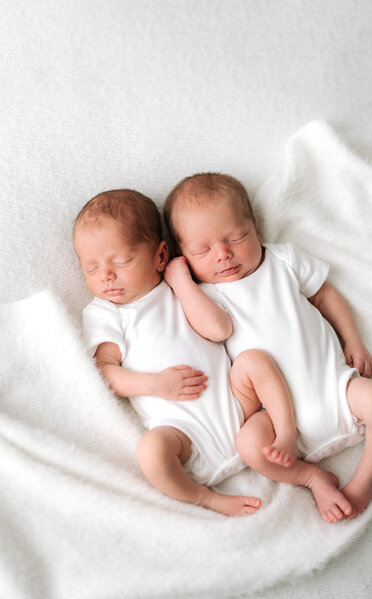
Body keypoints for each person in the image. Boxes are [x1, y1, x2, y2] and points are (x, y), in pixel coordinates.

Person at [164, 172, 372, 522]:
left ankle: (366, 478)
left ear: (257, 230)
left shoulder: (282, 260)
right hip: (276, 422)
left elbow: (325, 295)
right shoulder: (207, 295)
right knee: (248, 445)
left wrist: (354, 340)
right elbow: (215, 330)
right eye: (203, 250)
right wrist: (181, 282)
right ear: (184, 255)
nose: (223, 254)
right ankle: (313, 478)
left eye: (236, 237)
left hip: (336, 389)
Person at [73, 188, 309, 517]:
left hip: (239, 410)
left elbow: (219, 330)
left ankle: (287, 435)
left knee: (254, 361)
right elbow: (105, 372)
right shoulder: (105, 313)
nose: (106, 275)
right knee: (151, 451)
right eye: (91, 268)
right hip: (183, 434)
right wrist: (155, 385)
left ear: (159, 256)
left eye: (121, 261)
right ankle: (204, 498)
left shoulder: (180, 286)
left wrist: (182, 283)